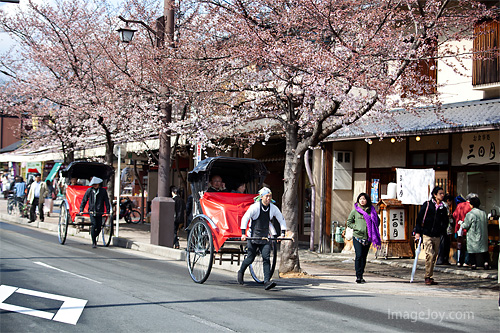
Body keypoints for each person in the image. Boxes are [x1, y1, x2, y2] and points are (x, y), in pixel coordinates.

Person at [237, 187, 287, 290]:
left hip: (265, 237)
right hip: (253, 236)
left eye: (270, 196)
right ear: (261, 197)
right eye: (267, 196)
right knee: (250, 258)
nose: (269, 198)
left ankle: (267, 281)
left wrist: (282, 234)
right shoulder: (254, 207)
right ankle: (241, 271)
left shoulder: (273, 208)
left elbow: (281, 219)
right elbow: (245, 218)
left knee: (266, 257)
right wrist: (243, 234)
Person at [414, 186, 449, 285]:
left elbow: (445, 221)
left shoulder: (443, 207)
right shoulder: (428, 205)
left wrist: (443, 229)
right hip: (427, 233)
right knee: (430, 254)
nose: (442, 195)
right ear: (435, 195)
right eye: (440, 193)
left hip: (437, 235)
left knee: (434, 256)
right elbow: (420, 218)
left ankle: (430, 275)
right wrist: (418, 232)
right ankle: (427, 276)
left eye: (443, 194)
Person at [346, 192, 381, 283]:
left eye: (364, 199)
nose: (362, 201)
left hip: (368, 237)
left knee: (364, 257)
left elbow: (377, 221)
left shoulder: (372, 210)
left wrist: (374, 226)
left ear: (367, 200)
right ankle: (358, 275)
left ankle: (361, 275)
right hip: (358, 236)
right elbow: (349, 222)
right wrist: (356, 227)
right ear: (358, 200)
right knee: (359, 255)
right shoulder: (355, 211)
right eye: (360, 199)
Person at [80, 177, 111, 248]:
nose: (95, 185)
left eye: (96, 184)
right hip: (91, 211)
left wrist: (108, 211)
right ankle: (94, 242)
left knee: (99, 227)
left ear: (99, 184)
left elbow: (106, 201)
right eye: (93, 184)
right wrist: (81, 210)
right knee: (94, 225)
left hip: (99, 211)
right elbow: (84, 200)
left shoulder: (103, 191)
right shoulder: (89, 190)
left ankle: (94, 235)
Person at [461, 196, 490, 270]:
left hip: (473, 235)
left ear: (471, 205)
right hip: (483, 236)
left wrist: (461, 223)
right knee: (484, 250)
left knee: (472, 250)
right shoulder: (483, 213)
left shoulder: (470, 214)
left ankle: (473, 264)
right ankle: (486, 263)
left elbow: (466, 225)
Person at [453, 193, 478, 267]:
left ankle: (458, 261)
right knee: (467, 246)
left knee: (459, 246)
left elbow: (454, 215)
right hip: (466, 229)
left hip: (458, 229)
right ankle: (466, 262)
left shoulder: (459, 205)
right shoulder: (471, 207)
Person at [436, 193, 454, 265]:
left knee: (444, 243)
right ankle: (442, 259)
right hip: (444, 228)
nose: (451, 203)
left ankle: (443, 259)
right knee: (443, 244)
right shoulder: (444, 206)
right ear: (448, 200)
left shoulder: (442, 205)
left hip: (443, 227)